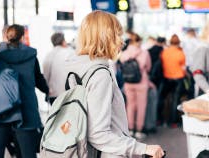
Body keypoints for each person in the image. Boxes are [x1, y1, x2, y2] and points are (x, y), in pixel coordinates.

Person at [64, 11, 164, 158]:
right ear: (104, 37)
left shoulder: (77, 68)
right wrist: (143, 148)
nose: (121, 41)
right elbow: (98, 134)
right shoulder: (100, 74)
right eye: (117, 35)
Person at [0, 24, 49, 158]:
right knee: (28, 153)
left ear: (6, 37)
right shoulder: (31, 55)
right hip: (26, 110)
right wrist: (49, 91)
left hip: (0, 110)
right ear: (22, 37)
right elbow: (39, 80)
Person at [120, 33, 152, 139]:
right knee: (141, 106)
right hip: (141, 83)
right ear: (138, 41)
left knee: (130, 105)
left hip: (128, 83)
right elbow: (148, 67)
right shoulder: (144, 53)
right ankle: (139, 130)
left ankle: (130, 129)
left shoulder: (124, 53)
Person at [158, 34, 186, 127]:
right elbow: (183, 68)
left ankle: (160, 119)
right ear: (178, 43)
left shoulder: (164, 52)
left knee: (162, 98)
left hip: (166, 78)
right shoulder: (180, 53)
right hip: (178, 79)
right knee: (175, 100)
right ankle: (173, 122)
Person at [43, 32, 75, 104]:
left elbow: (45, 77)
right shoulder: (71, 53)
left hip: (53, 94)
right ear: (63, 42)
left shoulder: (48, 55)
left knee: (56, 115)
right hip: (69, 93)